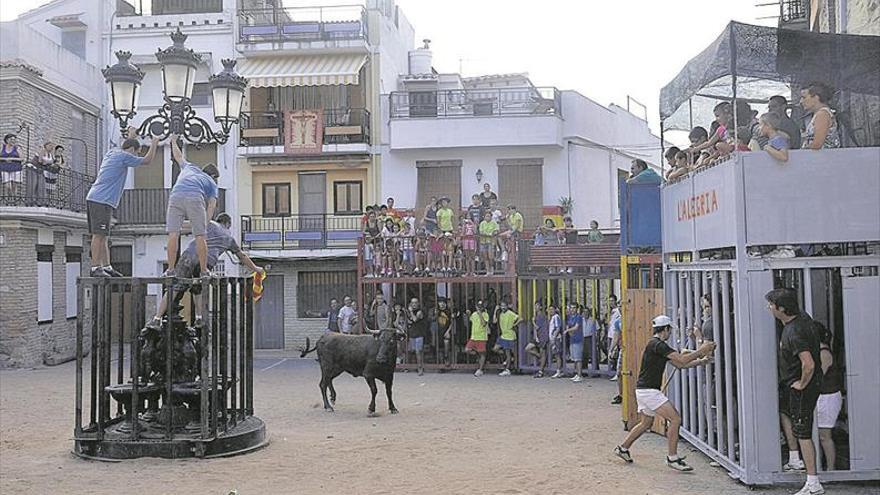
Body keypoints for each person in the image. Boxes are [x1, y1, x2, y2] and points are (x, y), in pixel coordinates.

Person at [614, 315, 715, 471]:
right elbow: (681, 360)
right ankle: (672, 458)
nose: (670, 333)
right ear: (666, 329)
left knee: (645, 423)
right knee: (675, 419)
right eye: (670, 330)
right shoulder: (659, 345)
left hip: (644, 390)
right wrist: (702, 350)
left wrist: (701, 361)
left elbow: (679, 365)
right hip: (649, 391)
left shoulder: (656, 345)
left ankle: (623, 448)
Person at [146, 213, 264, 328]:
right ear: (228, 224)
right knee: (198, 288)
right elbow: (242, 256)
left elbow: (191, 224)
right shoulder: (229, 239)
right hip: (208, 261)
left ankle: (157, 319)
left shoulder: (209, 223)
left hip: (190, 255)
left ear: (218, 220)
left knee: (175, 288)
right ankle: (198, 318)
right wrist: (256, 269)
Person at [766, 288, 824, 495]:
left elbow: (808, 364)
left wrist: (801, 383)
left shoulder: (794, 332)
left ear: (781, 308)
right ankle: (800, 466)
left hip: (802, 388)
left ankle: (813, 483)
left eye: (771, 304)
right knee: (797, 426)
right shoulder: (802, 319)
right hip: (802, 385)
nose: (769, 307)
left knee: (803, 433)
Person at [86, 128, 159, 277]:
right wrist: (155, 142)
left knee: (104, 235)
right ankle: (95, 268)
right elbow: (147, 160)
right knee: (98, 234)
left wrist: (132, 136)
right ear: (132, 149)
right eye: (137, 152)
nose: (136, 155)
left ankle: (106, 267)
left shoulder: (113, 152)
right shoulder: (124, 156)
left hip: (98, 198)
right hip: (101, 200)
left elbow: (126, 146)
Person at [165, 136, 220, 277]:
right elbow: (212, 205)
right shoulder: (211, 183)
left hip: (175, 195)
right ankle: (203, 271)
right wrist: (205, 224)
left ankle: (170, 270)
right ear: (213, 175)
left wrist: (173, 141)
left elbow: (177, 156)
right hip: (194, 197)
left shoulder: (189, 167)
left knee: (173, 234)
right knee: (200, 236)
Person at [814, 322, 843, 472]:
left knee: (824, 436)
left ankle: (831, 469)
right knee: (820, 435)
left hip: (828, 397)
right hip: (823, 397)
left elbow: (818, 377)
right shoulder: (819, 351)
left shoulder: (823, 353)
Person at [800, 82, 841, 150]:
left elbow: (817, 144)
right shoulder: (819, 114)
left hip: (823, 158)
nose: (801, 101)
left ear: (816, 98)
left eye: (804, 97)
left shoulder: (822, 114)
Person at [492, 301, 520, 376]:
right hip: (503, 335)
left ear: (507, 306)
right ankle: (509, 359)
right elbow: (494, 321)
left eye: (504, 306)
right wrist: (495, 310)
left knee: (508, 353)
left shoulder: (510, 313)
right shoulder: (500, 314)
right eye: (502, 306)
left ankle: (507, 369)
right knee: (495, 349)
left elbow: (520, 318)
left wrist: (514, 325)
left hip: (509, 336)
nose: (503, 307)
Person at [465, 300, 490, 377]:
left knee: (482, 353)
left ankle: (480, 369)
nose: (479, 308)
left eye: (480, 307)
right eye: (478, 307)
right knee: (467, 350)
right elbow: (470, 320)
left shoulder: (485, 314)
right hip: (473, 337)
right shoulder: (474, 314)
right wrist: (468, 314)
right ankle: (477, 356)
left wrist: (480, 315)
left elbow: (483, 324)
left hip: (482, 337)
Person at [525, 301, 549, 377]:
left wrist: (533, 321)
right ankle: (539, 357)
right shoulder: (537, 315)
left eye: (537, 306)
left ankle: (541, 371)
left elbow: (537, 327)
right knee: (527, 348)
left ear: (541, 307)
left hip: (542, 337)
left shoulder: (541, 316)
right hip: (537, 337)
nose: (535, 307)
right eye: (535, 306)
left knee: (543, 353)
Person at [407, 297, 428, 375]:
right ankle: (410, 366)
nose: (414, 304)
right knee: (411, 351)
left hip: (419, 334)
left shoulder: (420, 312)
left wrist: (411, 312)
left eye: (416, 302)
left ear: (418, 303)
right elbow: (409, 321)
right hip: (412, 334)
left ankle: (420, 368)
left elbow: (415, 319)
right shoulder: (409, 312)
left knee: (418, 351)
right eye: (412, 303)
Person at [565, 303, 585, 382]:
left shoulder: (579, 317)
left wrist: (567, 330)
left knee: (578, 358)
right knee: (574, 358)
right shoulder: (570, 317)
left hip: (578, 339)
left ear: (577, 309)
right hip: (572, 339)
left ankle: (580, 375)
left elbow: (576, 327)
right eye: (571, 308)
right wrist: (568, 330)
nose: (572, 309)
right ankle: (577, 374)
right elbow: (568, 325)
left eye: (574, 308)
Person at [478, 211, 499, 275]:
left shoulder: (494, 223)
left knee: (490, 256)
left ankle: (492, 269)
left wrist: (493, 233)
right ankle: (487, 271)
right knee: (485, 257)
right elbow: (481, 232)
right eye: (486, 216)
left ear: (491, 217)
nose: (487, 217)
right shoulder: (482, 223)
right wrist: (487, 234)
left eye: (489, 216)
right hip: (483, 241)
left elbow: (496, 231)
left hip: (491, 242)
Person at [548, 304, 564, 378]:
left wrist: (554, 337)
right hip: (554, 338)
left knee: (557, 355)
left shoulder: (556, 317)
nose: (550, 311)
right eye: (549, 309)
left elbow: (558, 328)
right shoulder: (552, 317)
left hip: (556, 338)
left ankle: (558, 371)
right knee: (556, 355)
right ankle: (559, 370)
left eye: (552, 309)